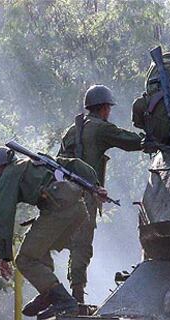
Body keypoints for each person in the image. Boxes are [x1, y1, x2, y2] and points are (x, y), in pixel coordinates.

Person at [0, 145, 104, 318]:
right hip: (78, 209)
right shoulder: (37, 160)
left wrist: (3, 256)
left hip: (58, 210)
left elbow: (5, 214)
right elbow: (74, 164)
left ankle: (64, 300)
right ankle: (48, 293)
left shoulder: (9, 174)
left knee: (25, 259)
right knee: (38, 251)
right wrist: (95, 186)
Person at [58, 84, 145, 303]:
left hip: (64, 194)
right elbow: (131, 141)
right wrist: (153, 138)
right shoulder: (100, 128)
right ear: (105, 108)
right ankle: (77, 298)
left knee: (74, 245)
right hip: (83, 196)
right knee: (82, 246)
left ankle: (73, 292)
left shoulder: (72, 130)